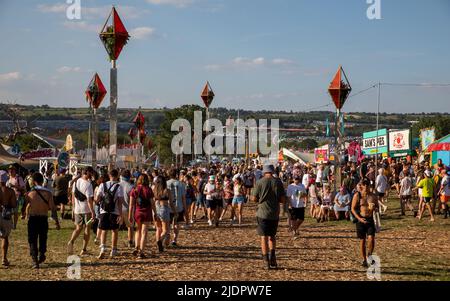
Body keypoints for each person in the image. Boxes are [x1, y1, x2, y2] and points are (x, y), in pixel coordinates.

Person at [251, 164, 286, 270]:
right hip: (274, 212)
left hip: (262, 212)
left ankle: (266, 261)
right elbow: (283, 200)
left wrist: (261, 198)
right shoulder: (278, 182)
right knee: (272, 236)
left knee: (263, 237)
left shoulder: (259, 182)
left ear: (264, 172)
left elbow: (254, 198)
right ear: (273, 171)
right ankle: (273, 257)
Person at [21, 172, 59, 268]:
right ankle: (41, 254)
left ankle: (34, 260)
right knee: (43, 238)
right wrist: (56, 222)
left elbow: (24, 206)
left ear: (33, 182)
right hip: (43, 218)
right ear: (42, 181)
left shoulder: (30, 193)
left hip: (33, 218)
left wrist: (24, 214)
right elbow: (53, 209)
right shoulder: (48, 193)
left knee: (32, 239)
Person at [95, 169, 124, 259]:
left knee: (104, 230)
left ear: (109, 175)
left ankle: (103, 248)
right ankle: (113, 250)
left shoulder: (102, 185)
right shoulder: (119, 187)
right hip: (114, 211)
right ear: (117, 175)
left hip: (103, 210)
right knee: (114, 231)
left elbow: (97, 199)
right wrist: (120, 214)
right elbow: (120, 202)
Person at [67, 167, 95, 256]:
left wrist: (73, 209)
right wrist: (93, 212)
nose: (92, 174)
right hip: (86, 210)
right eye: (91, 173)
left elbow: (73, 196)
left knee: (78, 228)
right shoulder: (88, 184)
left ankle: (71, 241)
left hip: (77, 209)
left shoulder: (76, 182)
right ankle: (84, 249)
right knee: (87, 228)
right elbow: (89, 200)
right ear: (87, 173)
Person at [351, 179, 378, 268]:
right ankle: (364, 259)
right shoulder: (357, 195)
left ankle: (369, 254)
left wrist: (375, 208)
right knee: (362, 241)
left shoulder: (373, 196)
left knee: (371, 238)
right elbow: (352, 209)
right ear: (361, 186)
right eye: (364, 185)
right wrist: (359, 218)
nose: (366, 187)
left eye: (368, 185)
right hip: (360, 220)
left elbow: (377, 207)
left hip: (370, 219)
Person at [129, 174, 155, 259]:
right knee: (144, 232)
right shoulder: (149, 190)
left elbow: (131, 205)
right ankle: (141, 252)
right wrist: (155, 213)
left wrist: (130, 215)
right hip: (146, 212)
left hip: (137, 212)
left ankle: (137, 246)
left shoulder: (134, 189)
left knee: (138, 231)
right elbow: (152, 203)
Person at [153, 176, 176, 252]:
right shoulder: (167, 190)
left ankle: (159, 246)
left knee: (158, 228)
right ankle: (160, 241)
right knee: (165, 230)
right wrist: (175, 212)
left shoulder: (154, 190)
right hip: (164, 208)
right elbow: (171, 204)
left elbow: (152, 201)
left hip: (156, 209)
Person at [166, 169, 187, 247]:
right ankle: (174, 239)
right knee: (176, 224)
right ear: (177, 175)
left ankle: (167, 237)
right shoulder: (181, 184)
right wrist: (185, 208)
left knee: (167, 224)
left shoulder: (166, 183)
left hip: (168, 207)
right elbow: (183, 198)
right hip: (179, 207)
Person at [0, 171, 16, 267]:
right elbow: (14, 204)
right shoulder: (10, 191)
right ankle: (4, 259)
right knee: (5, 237)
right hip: (6, 215)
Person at [6, 165, 26, 230]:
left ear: (15, 171)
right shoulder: (8, 178)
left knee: (15, 212)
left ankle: (14, 225)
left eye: (12, 170)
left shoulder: (18, 178)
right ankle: (11, 224)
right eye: (9, 170)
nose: (10, 171)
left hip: (17, 197)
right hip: (9, 198)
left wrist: (14, 186)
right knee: (9, 212)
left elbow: (23, 188)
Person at [119, 170, 134, 248]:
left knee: (115, 227)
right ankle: (130, 241)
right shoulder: (131, 186)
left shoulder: (118, 185)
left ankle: (114, 244)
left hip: (118, 208)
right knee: (130, 226)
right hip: (128, 208)